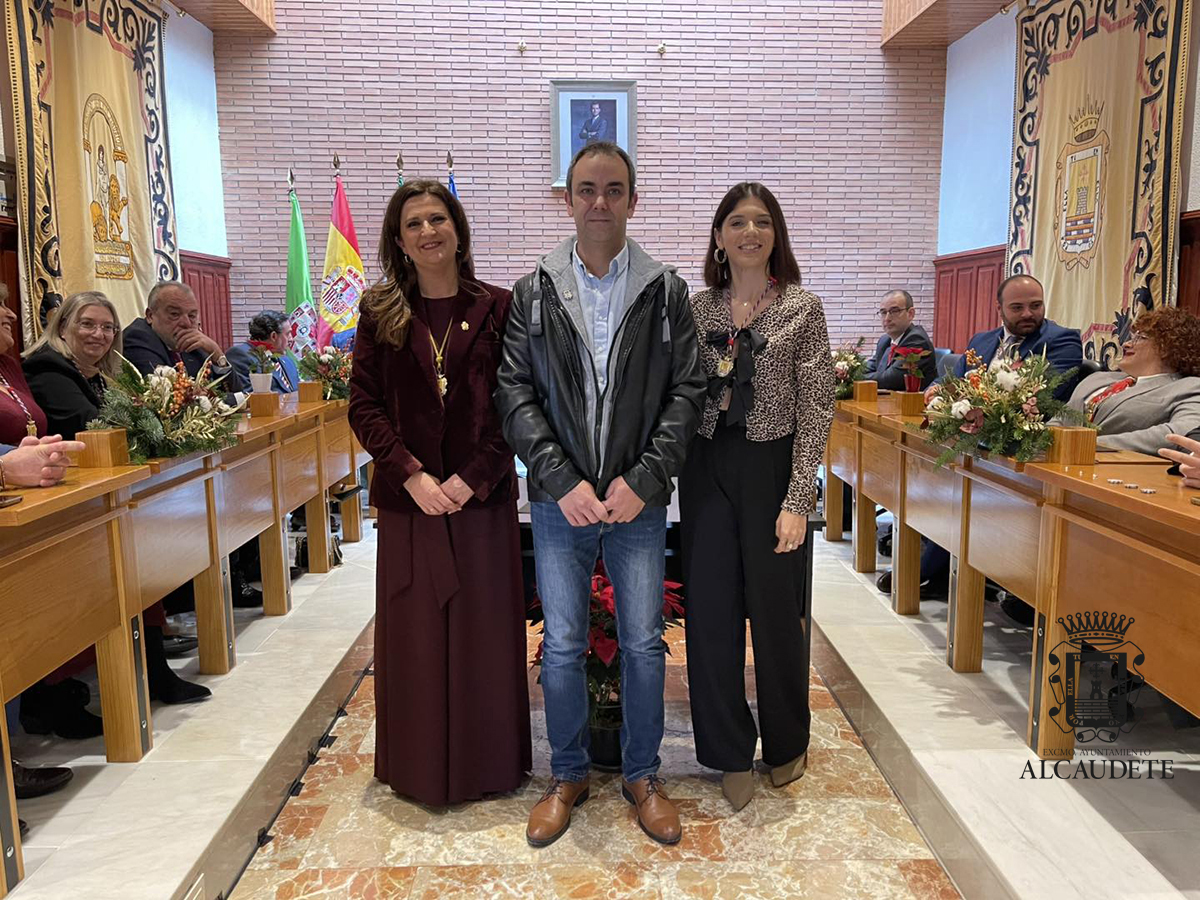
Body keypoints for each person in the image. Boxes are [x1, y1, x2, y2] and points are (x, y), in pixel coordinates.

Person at [496, 141, 705, 848]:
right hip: (561, 503)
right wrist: (562, 480)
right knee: (560, 646)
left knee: (642, 644)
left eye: (614, 190)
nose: (599, 202)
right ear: (567, 200)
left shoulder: (665, 290)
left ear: (632, 201)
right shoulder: (534, 290)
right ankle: (568, 775)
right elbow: (514, 393)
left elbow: (687, 391)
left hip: (637, 504)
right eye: (586, 189)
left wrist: (643, 480)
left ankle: (643, 775)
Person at [348, 179, 531, 807]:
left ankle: (488, 765)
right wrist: (412, 474)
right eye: (413, 224)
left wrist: (471, 477)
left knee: (484, 633)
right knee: (418, 640)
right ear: (398, 242)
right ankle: (419, 767)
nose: (427, 232)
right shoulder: (379, 312)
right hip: (412, 504)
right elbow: (364, 405)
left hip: (481, 500)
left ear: (458, 229)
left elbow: (519, 405)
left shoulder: (499, 307)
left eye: (437, 219)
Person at [680, 182, 834, 811]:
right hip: (705, 467)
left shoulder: (802, 308)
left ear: (776, 235)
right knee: (712, 613)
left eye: (762, 222)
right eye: (737, 222)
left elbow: (816, 408)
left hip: (772, 467)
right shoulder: (696, 309)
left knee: (775, 614)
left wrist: (798, 500)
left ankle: (787, 740)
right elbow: (678, 394)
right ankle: (726, 749)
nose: (750, 232)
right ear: (719, 237)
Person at [1063, 307, 1200, 455]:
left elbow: (1181, 432)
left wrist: (1089, 444)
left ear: (1167, 347)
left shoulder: (1189, 387)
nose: (1126, 344)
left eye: (1140, 337)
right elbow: (1060, 420)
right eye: (1132, 336)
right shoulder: (1096, 378)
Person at [945, 273, 1083, 400]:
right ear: (999, 309)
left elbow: (1043, 399)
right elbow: (951, 381)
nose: (1027, 314)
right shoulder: (980, 341)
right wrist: (937, 391)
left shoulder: (1063, 341)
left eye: (1035, 305)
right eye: (1017, 307)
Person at [22, 291, 122, 438]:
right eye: (87, 324)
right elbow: (90, 425)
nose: (98, 334)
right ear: (62, 328)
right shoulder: (47, 368)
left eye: (107, 327)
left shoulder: (96, 373)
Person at [122, 281, 242, 394]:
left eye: (192, 316)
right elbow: (171, 397)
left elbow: (237, 393)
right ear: (150, 316)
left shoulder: (194, 344)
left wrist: (217, 353)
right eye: (175, 314)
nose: (186, 323)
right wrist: (233, 399)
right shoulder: (137, 338)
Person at [863, 290, 936, 390]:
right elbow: (868, 367)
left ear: (910, 314)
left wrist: (853, 378)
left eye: (894, 311)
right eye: (883, 312)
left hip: (911, 399)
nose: (887, 318)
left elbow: (890, 380)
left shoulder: (917, 340)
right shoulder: (885, 340)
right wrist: (846, 372)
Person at [226, 310, 301, 394]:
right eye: (288, 334)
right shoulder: (239, 355)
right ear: (273, 336)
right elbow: (248, 396)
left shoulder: (288, 361)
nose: (291, 339)